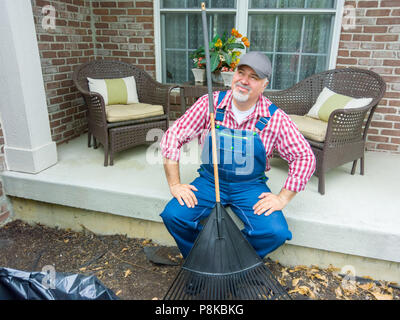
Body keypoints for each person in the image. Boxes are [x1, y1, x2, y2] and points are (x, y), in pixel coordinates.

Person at [159, 51, 316, 259]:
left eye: (253, 77)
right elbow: (173, 136)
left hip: (250, 186)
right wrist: (174, 184)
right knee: (174, 216)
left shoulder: (275, 117)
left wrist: (282, 198)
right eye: (241, 73)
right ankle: (202, 258)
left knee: (275, 232)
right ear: (233, 75)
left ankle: (235, 261)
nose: (244, 81)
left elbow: (305, 157)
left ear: (264, 85)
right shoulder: (211, 104)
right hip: (210, 181)